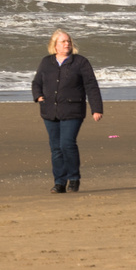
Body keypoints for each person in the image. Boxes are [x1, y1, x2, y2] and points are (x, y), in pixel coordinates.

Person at [31, 28, 103, 193]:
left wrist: (96, 108)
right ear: (54, 45)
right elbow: (36, 82)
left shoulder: (80, 62)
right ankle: (59, 182)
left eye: (68, 41)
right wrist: (38, 96)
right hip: (50, 111)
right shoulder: (46, 62)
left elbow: (91, 86)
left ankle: (74, 179)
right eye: (63, 42)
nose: (66, 44)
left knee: (67, 144)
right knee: (56, 147)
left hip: (73, 110)